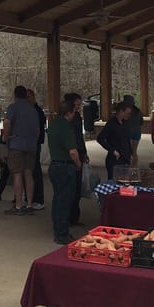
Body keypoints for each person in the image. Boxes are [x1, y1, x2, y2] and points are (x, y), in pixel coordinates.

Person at [46, 96, 83, 245]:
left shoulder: (53, 125)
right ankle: (62, 233)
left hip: (54, 164)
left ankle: (58, 229)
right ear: (69, 113)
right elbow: (72, 151)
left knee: (57, 199)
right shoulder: (66, 127)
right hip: (65, 166)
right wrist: (78, 163)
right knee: (65, 201)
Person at [3, 84, 40, 216]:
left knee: (17, 174)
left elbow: (7, 123)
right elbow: (37, 130)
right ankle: (29, 204)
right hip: (31, 144)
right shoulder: (32, 109)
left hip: (17, 144)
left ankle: (18, 205)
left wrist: (6, 137)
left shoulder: (13, 107)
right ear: (26, 95)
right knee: (28, 174)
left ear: (14, 95)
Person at [62, 92, 90, 226]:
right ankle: (68, 216)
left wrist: (84, 152)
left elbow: (80, 136)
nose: (79, 107)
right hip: (71, 153)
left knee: (76, 188)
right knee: (71, 187)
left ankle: (74, 216)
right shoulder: (66, 120)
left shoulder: (77, 117)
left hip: (78, 151)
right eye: (77, 105)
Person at [97, 100, 132, 181]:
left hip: (125, 158)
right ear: (121, 111)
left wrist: (131, 153)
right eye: (127, 113)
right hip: (115, 160)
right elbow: (100, 138)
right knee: (114, 182)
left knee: (126, 182)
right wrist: (113, 151)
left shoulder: (126, 123)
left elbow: (127, 139)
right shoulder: (111, 123)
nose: (129, 115)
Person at [27, 88, 47, 210]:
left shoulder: (37, 111)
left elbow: (38, 129)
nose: (27, 99)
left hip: (35, 144)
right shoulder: (28, 111)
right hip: (28, 144)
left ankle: (39, 199)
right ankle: (29, 197)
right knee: (28, 171)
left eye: (28, 96)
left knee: (35, 171)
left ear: (33, 97)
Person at [123, 94, 143, 166]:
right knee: (134, 151)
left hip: (128, 132)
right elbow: (141, 122)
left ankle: (129, 165)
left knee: (129, 151)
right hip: (137, 132)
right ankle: (134, 167)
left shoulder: (125, 111)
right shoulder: (138, 111)